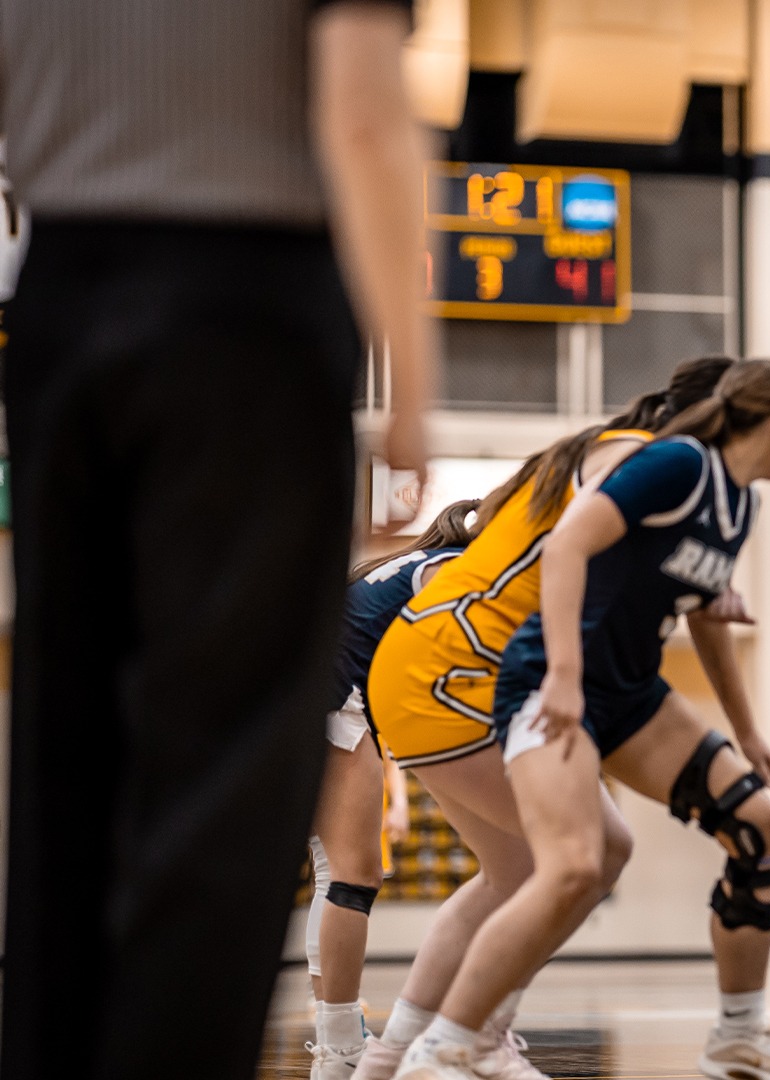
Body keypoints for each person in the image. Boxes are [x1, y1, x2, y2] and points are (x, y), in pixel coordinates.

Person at [0, 2, 435, 1076]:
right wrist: (415, 395)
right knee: (224, 776)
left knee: (67, 758)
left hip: (56, 296)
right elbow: (366, 116)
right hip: (250, 301)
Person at [395, 360, 770, 1080]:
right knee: (572, 868)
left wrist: (748, 733)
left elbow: (706, 615)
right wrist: (562, 673)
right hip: (546, 681)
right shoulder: (675, 465)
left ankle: (741, 1036)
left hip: (629, 695)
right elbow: (566, 544)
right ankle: (445, 1047)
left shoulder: (738, 502)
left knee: (760, 827)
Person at [308, 501, 480, 1078]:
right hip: (335, 694)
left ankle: (337, 1037)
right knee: (357, 876)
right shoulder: (457, 571)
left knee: (336, 875)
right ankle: (339, 1047)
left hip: (316, 688)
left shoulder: (421, 562)